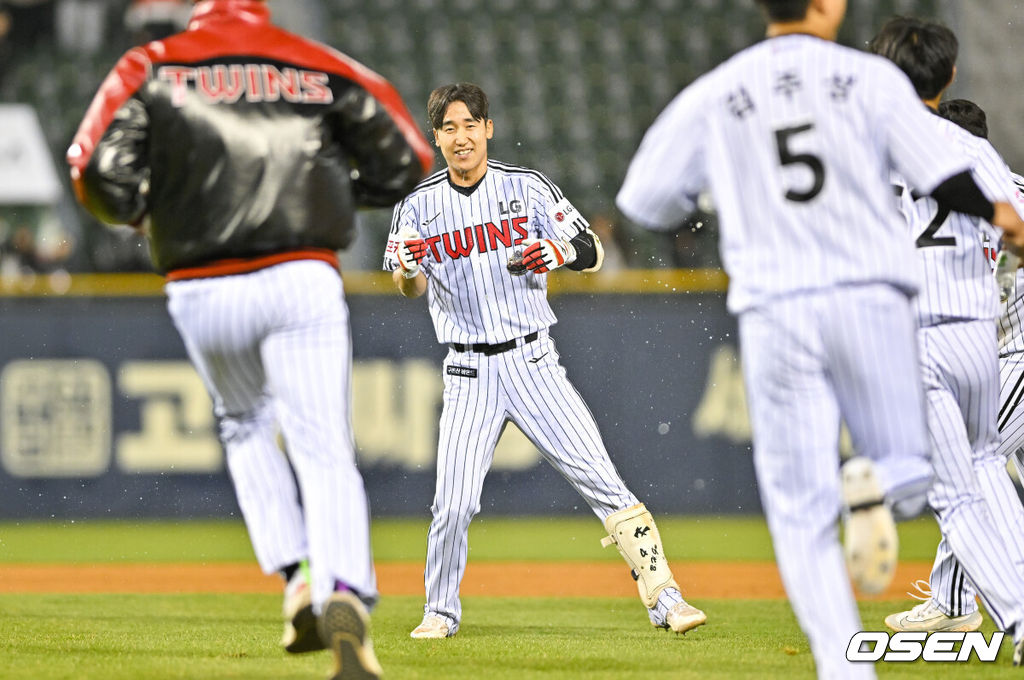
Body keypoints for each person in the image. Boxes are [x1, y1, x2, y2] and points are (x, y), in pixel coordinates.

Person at [616, 0, 1024, 677]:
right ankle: (887, 480)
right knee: (943, 470)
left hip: (777, 309)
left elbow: (645, 202)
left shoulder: (722, 89)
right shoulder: (867, 85)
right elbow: (947, 171)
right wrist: (999, 212)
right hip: (872, 304)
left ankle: (845, 664)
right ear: (828, 5)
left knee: (802, 515)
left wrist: (717, 192)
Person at [66, 1, 433, 678]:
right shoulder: (317, 63)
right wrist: (335, 190)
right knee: (323, 445)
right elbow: (410, 159)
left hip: (202, 286)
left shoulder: (152, 64)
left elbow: (91, 167)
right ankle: (343, 594)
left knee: (243, 423)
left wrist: (147, 209)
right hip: (301, 274)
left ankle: (295, 576)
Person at [383, 82, 706, 640]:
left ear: (488, 128)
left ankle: (667, 599)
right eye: (449, 128)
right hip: (467, 372)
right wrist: (409, 270)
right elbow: (407, 287)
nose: (461, 137)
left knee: (603, 480)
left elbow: (593, 251)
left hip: (533, 361)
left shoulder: (526, 189)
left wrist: (559, 252)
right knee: (453, 504)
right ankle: (440, 610)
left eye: (470, 124)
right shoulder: (416, 207)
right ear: (436, 137)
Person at [881, 89, 1024, 636]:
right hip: (997, 352)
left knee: (969, 468)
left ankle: (953, 602)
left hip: (1011, 355)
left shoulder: (961, 201)